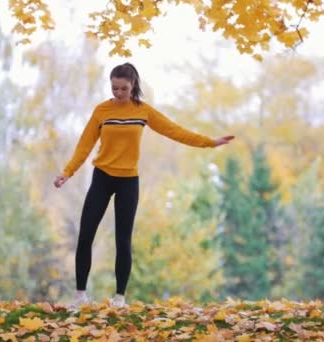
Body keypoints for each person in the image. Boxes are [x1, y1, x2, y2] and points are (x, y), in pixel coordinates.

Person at [53, 62, 234, 308]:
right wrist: (67, 172)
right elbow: (84, 145)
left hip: (129, 180)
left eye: (123, 89)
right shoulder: (102, 111)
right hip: (102, 177)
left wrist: (209, 142)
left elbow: (175, 131)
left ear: (133, 85)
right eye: (114, 88)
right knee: (85, 236)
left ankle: (119, 298)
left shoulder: (143, 111)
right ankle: (80, 297)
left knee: (123, 240)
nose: (118, 93)